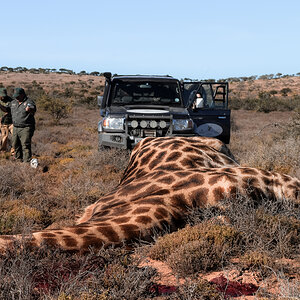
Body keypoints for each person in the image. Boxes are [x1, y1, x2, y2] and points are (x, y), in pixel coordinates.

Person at [9, 88, 36, 162]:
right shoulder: (13, 102)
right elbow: (7, 109)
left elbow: (33, 110)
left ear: (22, 94)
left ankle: (26, 162)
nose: (16, 98)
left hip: (26, 127)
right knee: (15, 145)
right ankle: (18, 160)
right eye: (15, 96)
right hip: (15, 127)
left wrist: (29, 109)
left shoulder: (28, 102)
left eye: (18, 96)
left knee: (25, 145)